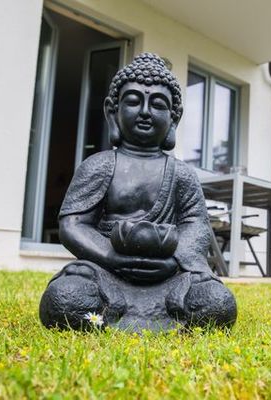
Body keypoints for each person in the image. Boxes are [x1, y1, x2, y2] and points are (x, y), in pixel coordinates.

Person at [39, 53, 237, 332]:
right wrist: (110, 256)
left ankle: (133, 316)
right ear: (113, 111)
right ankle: (121, 312)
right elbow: (73, 224)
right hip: (107, 272)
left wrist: (173, 260)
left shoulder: (182, 173)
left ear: (174, 117)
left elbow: (197, 226)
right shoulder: (99, 165)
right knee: (66, 297)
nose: (145, 112)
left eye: (158, 104)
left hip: (169, 276)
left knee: (217, 301)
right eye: (133, 101)